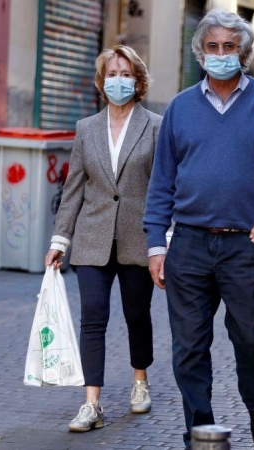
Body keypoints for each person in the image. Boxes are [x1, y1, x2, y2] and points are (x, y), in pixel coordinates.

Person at [142, 9, 254, 450]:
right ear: (200, 53)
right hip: (190, 244)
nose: (220, 54)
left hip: (246, 243)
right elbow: (161, 183)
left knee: (251, 337)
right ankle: (202, 429)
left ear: (244, 53)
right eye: (212, 47)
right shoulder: (180, 108)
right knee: (189, 347)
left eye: (229, 47)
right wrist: (156, 245)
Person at [44, 45, 162, 433]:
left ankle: (140, 381)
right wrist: (60, 240)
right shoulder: (86, 128)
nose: (118, 81)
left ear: (138, 80)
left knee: (136, 315)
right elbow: (73, 188)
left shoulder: (156, 126)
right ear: (102, 80)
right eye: (111, 74)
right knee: (92, 319)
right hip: (92, 239)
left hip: (137, 238)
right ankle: (91, 404)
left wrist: (164, 238)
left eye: (125, 74)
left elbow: (164, 186)